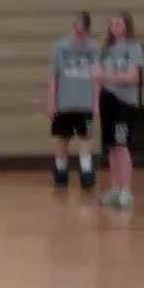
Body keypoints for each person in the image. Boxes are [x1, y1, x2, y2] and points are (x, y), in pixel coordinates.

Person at [94, 12, 144, 210]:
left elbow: (132, 77)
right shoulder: (106, 50)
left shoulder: (133, 48)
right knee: (112, 147)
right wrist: (96, 102)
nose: (114, 27)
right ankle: (115, 188)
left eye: (118, 23)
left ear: (126, 26)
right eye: (112, 24)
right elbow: (95, 75)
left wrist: (108, 76)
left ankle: (126, 191)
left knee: (122, 145)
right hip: (107, 100)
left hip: (125, 103)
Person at [47, 12, 99, 189]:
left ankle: (86, 171)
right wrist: (51, 101)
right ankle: (61, 171)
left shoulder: (92, 49)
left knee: (85, 137)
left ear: (87, 32)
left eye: (81, 32)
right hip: (64, 103)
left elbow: (96, 78)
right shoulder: (60, 48)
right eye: (75, 30)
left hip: (85, 103)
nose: (77, 35)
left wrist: (96, 103)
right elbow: (53, 77)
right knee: (62, 138)